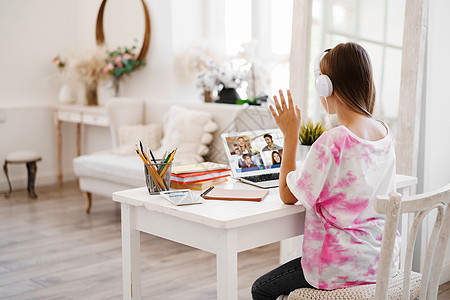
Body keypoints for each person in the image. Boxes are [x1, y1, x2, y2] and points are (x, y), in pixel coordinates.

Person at [251, 42, 399, 300]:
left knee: (260, 290)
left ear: (325, 86)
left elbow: (287, 194)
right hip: (381, 262)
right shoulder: (385, 134)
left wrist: (290, 135)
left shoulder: (334, 141)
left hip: (337, 269)